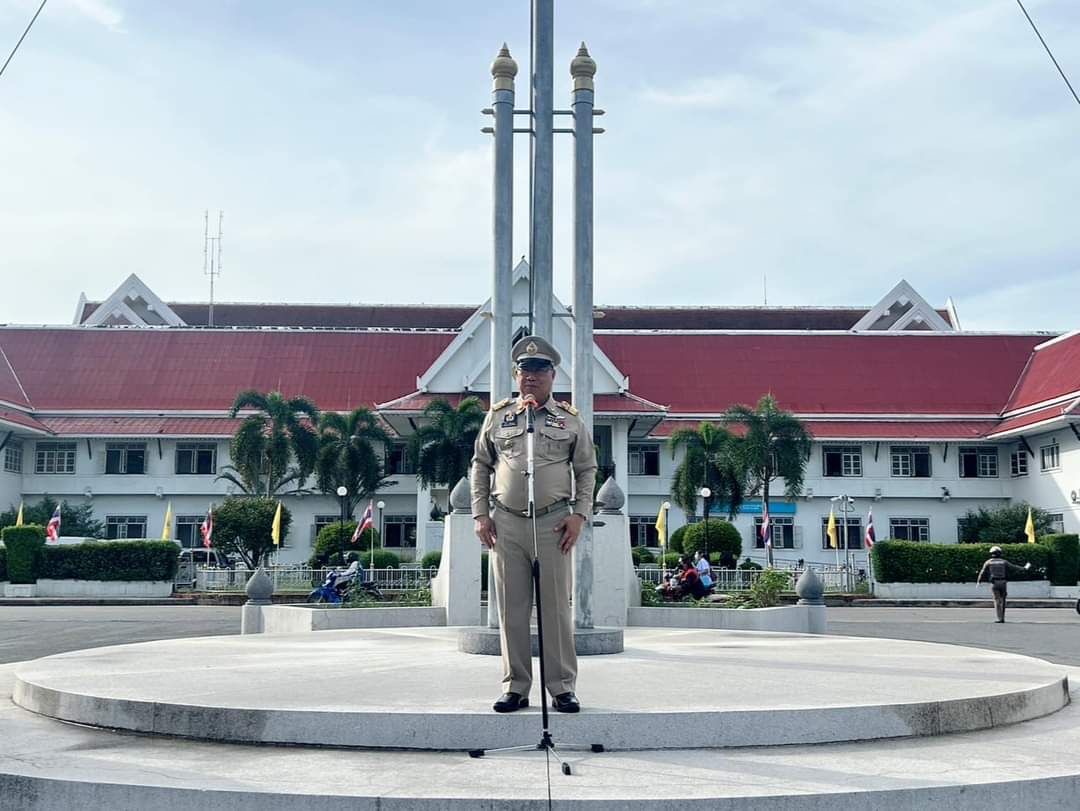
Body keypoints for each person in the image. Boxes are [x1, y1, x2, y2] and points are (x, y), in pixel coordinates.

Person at [470, 334, 597, 714]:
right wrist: (480, 514)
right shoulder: (499, 416)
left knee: (556, 609)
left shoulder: (569, 420)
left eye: (540, 370)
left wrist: (579, 515)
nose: (531, 377)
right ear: (516, 375)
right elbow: (481, 465)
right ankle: (516, 686)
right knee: (511, 609)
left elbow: (586, 469)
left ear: (552, 375)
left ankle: (562, 688)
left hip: (554, 523)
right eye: (525, 370)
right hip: (507, 523)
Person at [977, 546, 1032, 623]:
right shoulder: (1004, 562)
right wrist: (1024, 568)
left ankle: (999, 618)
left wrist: (978, 581)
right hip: (1003, 582)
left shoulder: (988, 562)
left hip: (994, 583)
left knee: (997, 600)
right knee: (1003, 600)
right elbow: (1014, 567)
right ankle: (1002, 618)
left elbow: (982, 572)